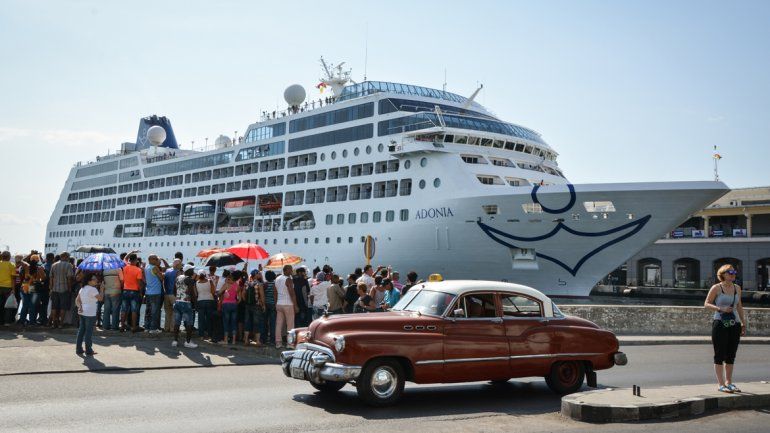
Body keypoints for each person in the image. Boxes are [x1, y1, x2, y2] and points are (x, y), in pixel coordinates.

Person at [705, 264, 747, 393]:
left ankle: (729, 382)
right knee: (719, 354)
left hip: (734, 323)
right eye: (730, 272)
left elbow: (739, 306)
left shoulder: (737, 288)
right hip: (720, 323)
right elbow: (706, 304)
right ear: (723, 274)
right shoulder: (716, 288)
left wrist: (743, 323)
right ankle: (721, 384)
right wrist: (720, 308)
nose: (733, 274)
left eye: (734, 272)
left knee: (731, 354)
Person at [75, 274, 104, 356]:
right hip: (90, 312)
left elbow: (77, 300)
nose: (96, 280)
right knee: (89, 331)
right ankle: (88, 350)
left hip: (82, 311)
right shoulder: (93, 289)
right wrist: (102, 289)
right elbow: (101, 298)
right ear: (89, 281)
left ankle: (79, 349)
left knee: (81, 330)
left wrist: (80, 307)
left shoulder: (82, 288)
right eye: (94, 279)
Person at [172, 266, 198, 348]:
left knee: (177, 322)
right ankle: (188, 342)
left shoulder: (178, 278)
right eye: (192, 270)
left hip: (177, 302)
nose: (193, 271)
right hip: (186, 303)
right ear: (188, 271)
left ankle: (175, 341)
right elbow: (192, 293)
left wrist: (178, 297)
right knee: (189, 323)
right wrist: (195, 303)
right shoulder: (189, 280)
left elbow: (173, 290)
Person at [274, 265, 298, 348]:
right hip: (288, 304)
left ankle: (278, 342)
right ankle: (290, 343)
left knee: (279, 324)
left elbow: (275, 292)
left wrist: (276, 303)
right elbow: (292, 293)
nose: (291, 271)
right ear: (285, 270)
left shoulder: (277, 279)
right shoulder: (288, 279)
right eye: (290, 269)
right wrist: (295, 305)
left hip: (279, 304)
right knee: (290, 324)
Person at [49, 252, 74, 328]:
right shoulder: (69, 265)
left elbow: (51, 278)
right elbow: (69, 278)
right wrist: (69, 288)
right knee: (63, 307)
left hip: (55, 289)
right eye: (68, 257)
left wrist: (51, 288)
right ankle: (61, 324)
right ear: (66, 257)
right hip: (64, 289)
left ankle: (53, 324)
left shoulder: (54, 265)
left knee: (54, 307)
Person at [19, 255, 45, 326]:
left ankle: (22, 321)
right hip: (34, 288)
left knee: (25, 305)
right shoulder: (39, 268)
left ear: (30, 260)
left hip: (24, 287)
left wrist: (30, 254)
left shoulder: (26, 266)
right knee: (32, 305)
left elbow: (20, 260)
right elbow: (43, 278)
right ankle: (32, 322)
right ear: (38, 260)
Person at [120, 255, 144, 332]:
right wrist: (141, 292)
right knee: (134, 310)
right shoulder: (138, 270)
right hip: (134, 291)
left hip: (125, 290)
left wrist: (122, 289)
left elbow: (122, 281)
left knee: (124, 310)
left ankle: (122, 326)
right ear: (136, 260)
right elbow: (139, 282)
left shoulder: (124, 268)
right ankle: (133, 327)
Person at [143, 255, 167, 333]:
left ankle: (146, 327)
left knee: (148, 311)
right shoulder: (154, 267)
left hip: (148, 292)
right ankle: (153, 328)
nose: (157, 260)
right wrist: (163, 274)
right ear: (151, 259)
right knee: (155, 311)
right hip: (155, 292)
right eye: (156, 259)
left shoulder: (146, 267)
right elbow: (161, 278)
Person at [242, 270, 264, 346]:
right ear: (256, 275)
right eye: (258, 273)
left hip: (248, 305)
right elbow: (262, 295)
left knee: (247, 322)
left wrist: (247, 302)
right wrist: (263, 305)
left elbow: (243, 294)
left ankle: (246, 340)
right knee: (257, 323)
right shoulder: (259, 284)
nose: (260, 274)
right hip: (256, 305)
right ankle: (257, 341)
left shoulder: (246, 283)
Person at [219, 271, 240, 345]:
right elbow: (239, 298)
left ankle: (225, 340)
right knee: (233, 323)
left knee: (226, 322)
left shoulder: (226, 285)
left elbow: (219, 292)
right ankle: (234, 341)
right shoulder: (237, 285)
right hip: (234, 305)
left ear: (229, 278)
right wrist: (235, 303)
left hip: (226, 305)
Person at [195, 269, 216, 340]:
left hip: (200, 300)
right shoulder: (209, 281)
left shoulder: (196, 282)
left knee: (201, 319)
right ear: (205, 275)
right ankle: (209, 335)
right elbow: (213, 291)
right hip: (209, 300)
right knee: (209, 319)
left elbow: (196, 293)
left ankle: (201, 335)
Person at [101, 265, 123, 331]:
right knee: (115, 310)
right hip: (116, 291)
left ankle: (105, 326)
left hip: (107, 291)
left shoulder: (105, 270)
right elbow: (122, 280)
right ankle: (114, 326)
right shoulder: (118, 269)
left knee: (106, 309)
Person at [163, 260, 182, 332]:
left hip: (166, 294)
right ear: (177, 265)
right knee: (175, 312)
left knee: (167, 312)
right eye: (180, 264)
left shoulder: (167, 271)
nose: (181, 265)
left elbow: (164, 282)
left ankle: (166, 328)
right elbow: (178, 284)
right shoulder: (178, 272)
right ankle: (172, 328)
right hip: (174, 294)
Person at [260, 270, 277, 346]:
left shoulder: (264, 284)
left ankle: (263, 338)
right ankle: (272, 340)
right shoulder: (274, 284)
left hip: (265, 304)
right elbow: (274, 295)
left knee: (264, 322)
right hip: (273, 304)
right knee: (272, 322)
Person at [0, 251, 17, 326]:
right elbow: (13, 278)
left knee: (0, 304)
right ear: (9, 257)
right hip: (8, 287)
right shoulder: (12, 265)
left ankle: (0, 321)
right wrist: (13, 289)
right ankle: (7, 322)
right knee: (8, 305)